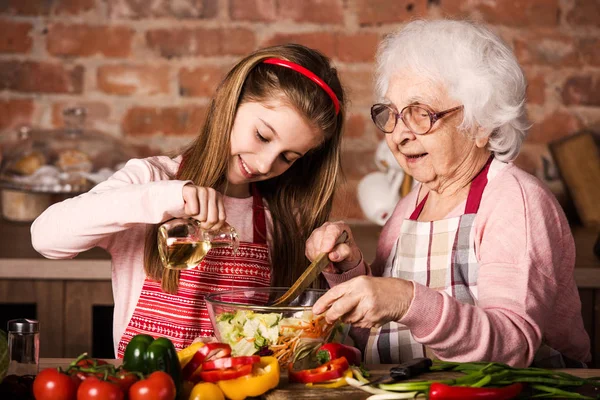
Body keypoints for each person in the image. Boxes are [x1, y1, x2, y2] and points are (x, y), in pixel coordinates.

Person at [31, 44, 346, 357]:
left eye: (287, 157)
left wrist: (342, 264)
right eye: (262, 136)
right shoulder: (151, 181)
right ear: (227, 102)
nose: (265, 165)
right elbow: (45, 237)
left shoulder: (278, 219)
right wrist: (167, 197)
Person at [308, 19, 591, 368]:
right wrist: (348, 270)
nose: (398, 135)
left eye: (421, 114)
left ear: (481, 123)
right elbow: (380, 338)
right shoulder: (409, 208)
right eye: (392, 114)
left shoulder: (514, 202)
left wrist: (405, 299)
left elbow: (513, 346)